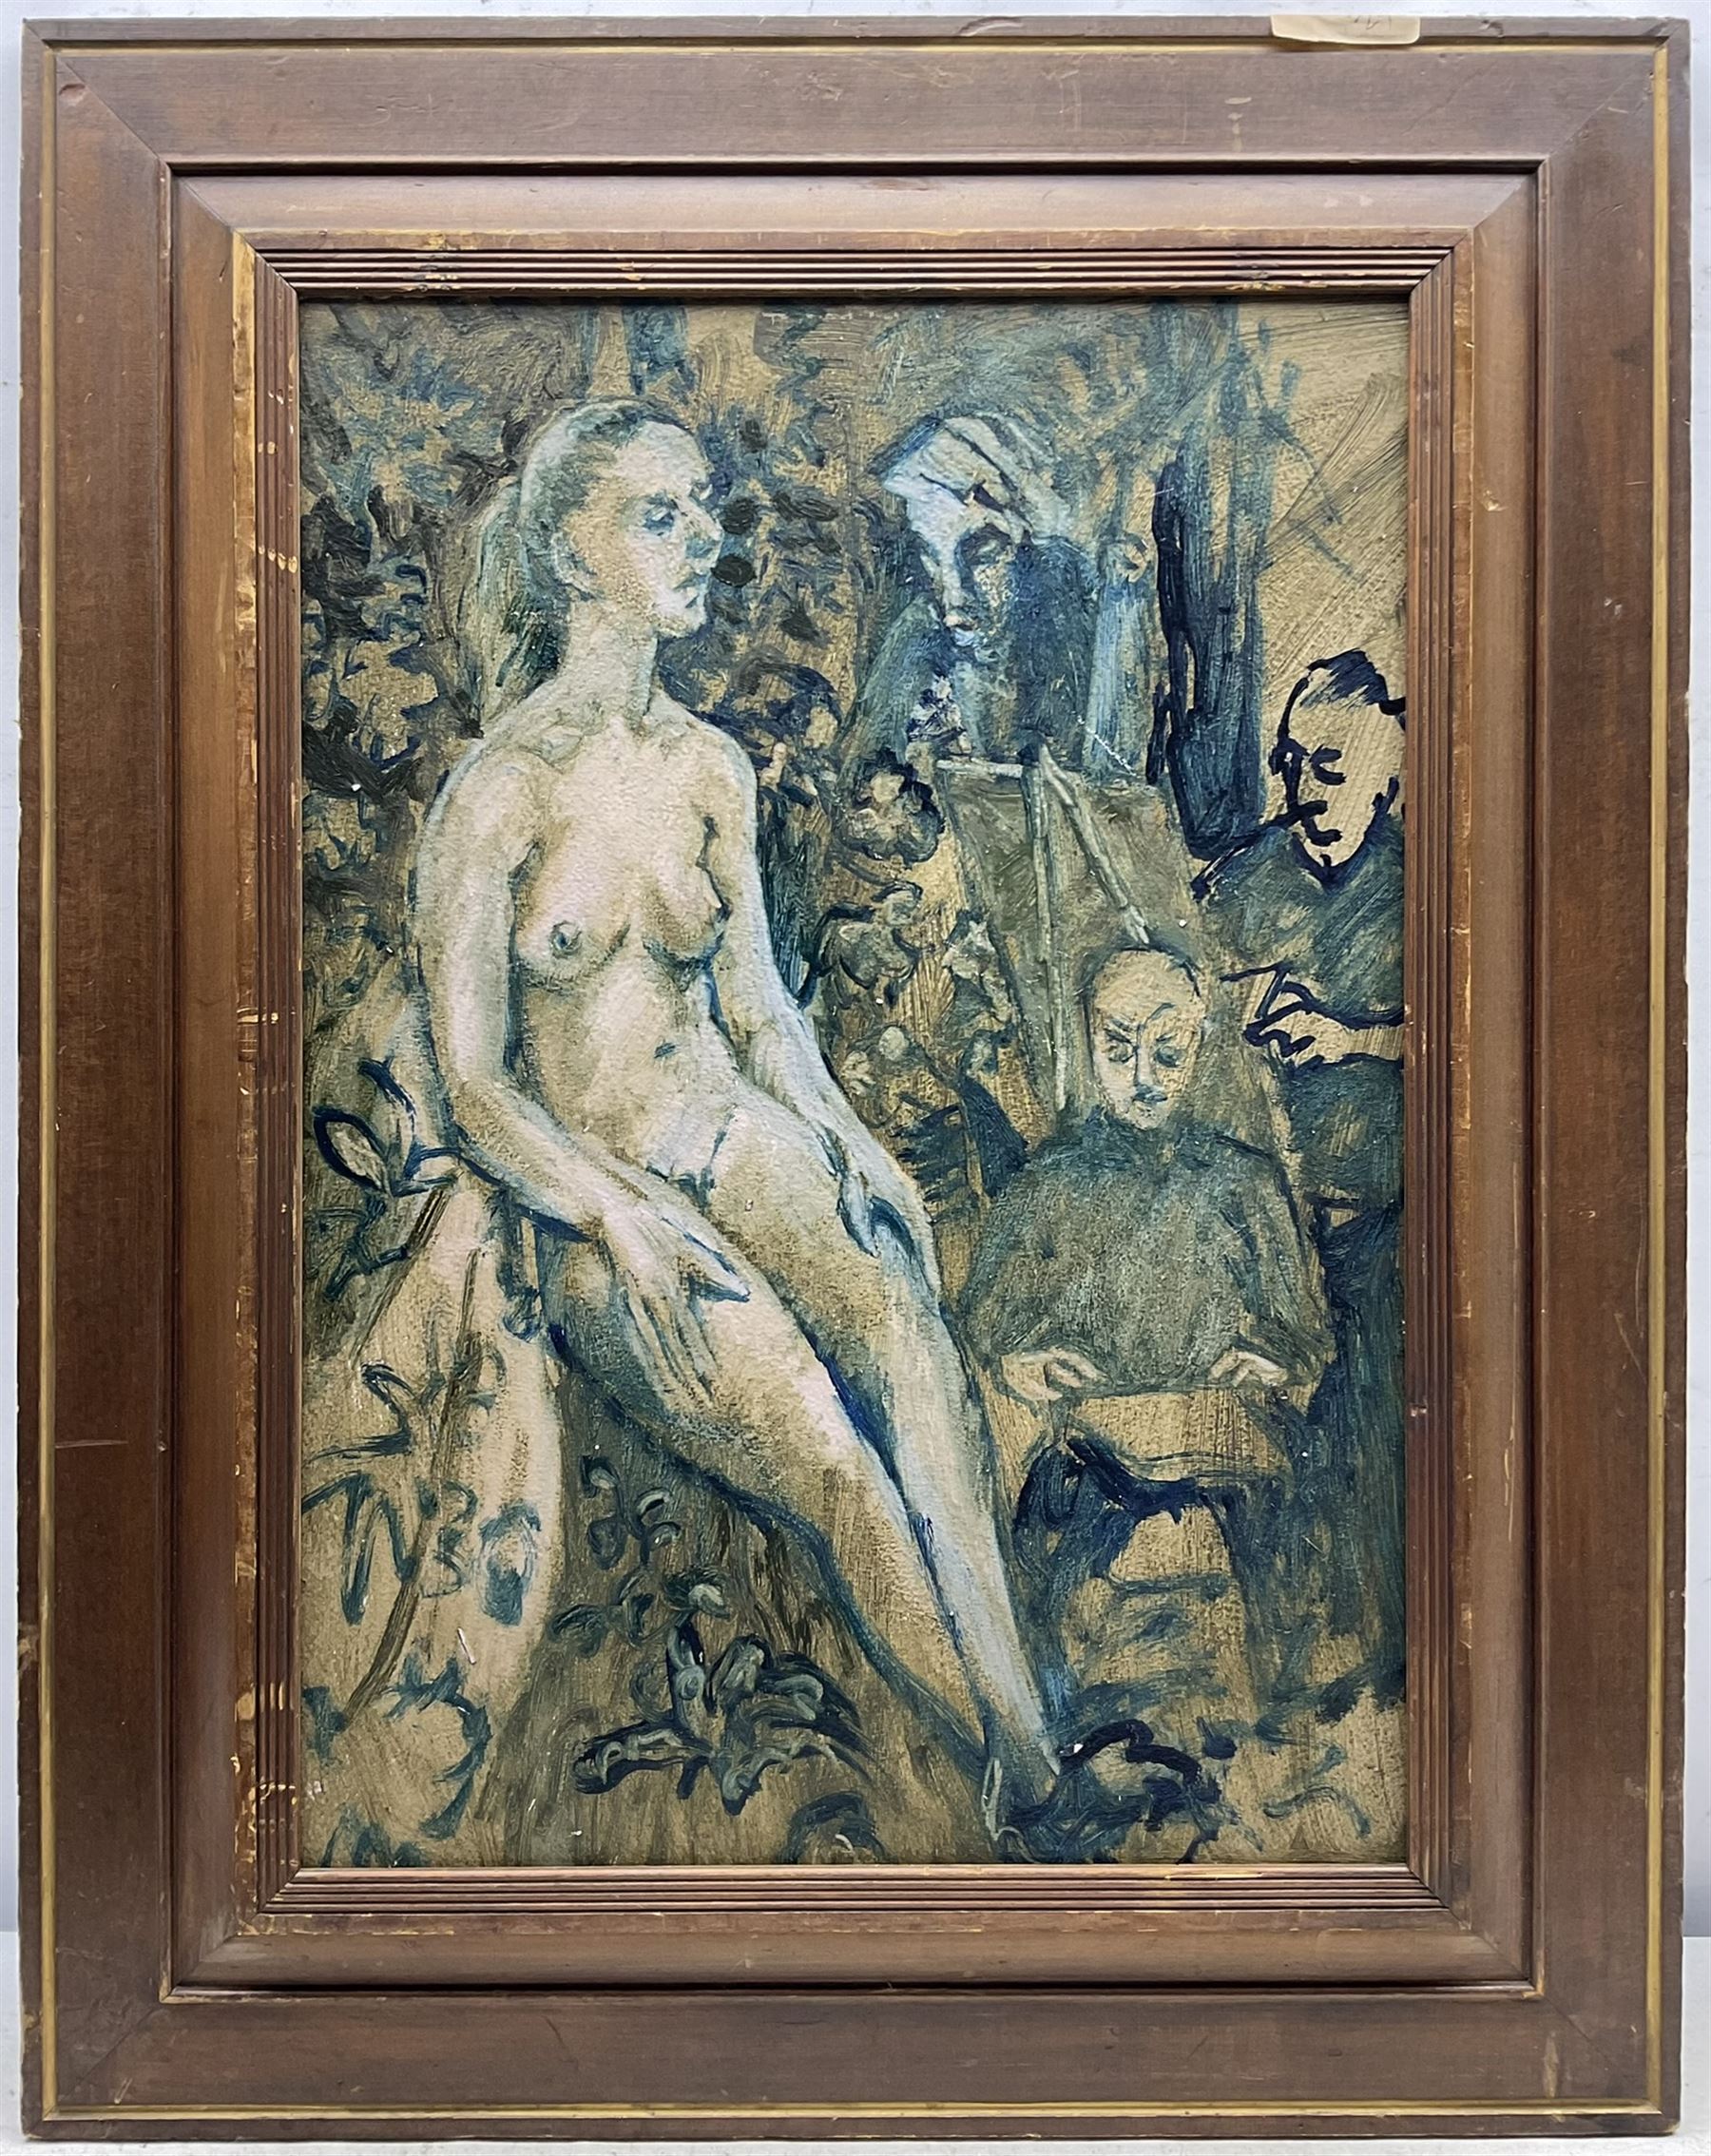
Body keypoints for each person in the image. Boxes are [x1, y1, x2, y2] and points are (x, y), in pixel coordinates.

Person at [375, 399, 1067, 1826]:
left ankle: (1030, 1734)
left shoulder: (710, 769)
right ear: (572, 554)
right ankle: (1020, 1785)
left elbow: (760, 1014)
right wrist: (618, 1218)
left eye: (704, 511)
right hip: (596, 1195)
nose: (705, 542)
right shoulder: (497, 797)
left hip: (732, 1132)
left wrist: (856, 1150)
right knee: (826, 1449)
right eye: (661, 516)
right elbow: (478, 1087)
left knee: (906, 1330)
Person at [1194, 650, 1407, 1706]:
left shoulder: (1428, 883)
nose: (1302, 790)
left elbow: (1498, 1044)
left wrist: (1353, 1038)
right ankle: (1274, 1657)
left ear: (1389, 769)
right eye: (1290, 764)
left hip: (1385, 1219)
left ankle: (1367, 1655)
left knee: (1363, 1420)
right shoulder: (1246, 878)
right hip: (1261, 1222)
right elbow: (1171, 988)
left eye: (1329, 766)